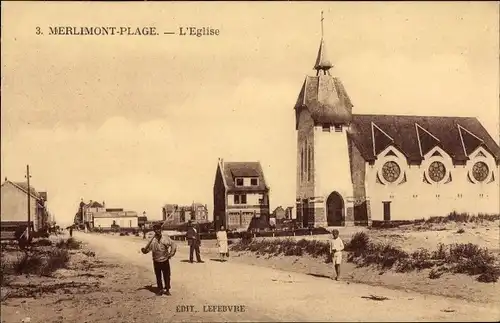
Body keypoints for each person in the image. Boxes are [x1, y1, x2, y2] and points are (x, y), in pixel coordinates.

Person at [141, 223, 177, 296]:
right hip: (156, 260)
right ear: (154, 231)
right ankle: (160, 289)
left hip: (164, 260)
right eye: (156, 230)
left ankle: (167, 289)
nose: (158, 231)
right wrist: (145, 251)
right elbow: (149, 249)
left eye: (159, 229)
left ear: (161, 230)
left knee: (166, 275)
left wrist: (171, 253)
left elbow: (173, 244)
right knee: (158, 276)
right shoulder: (152, 240)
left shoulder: (165, 238)